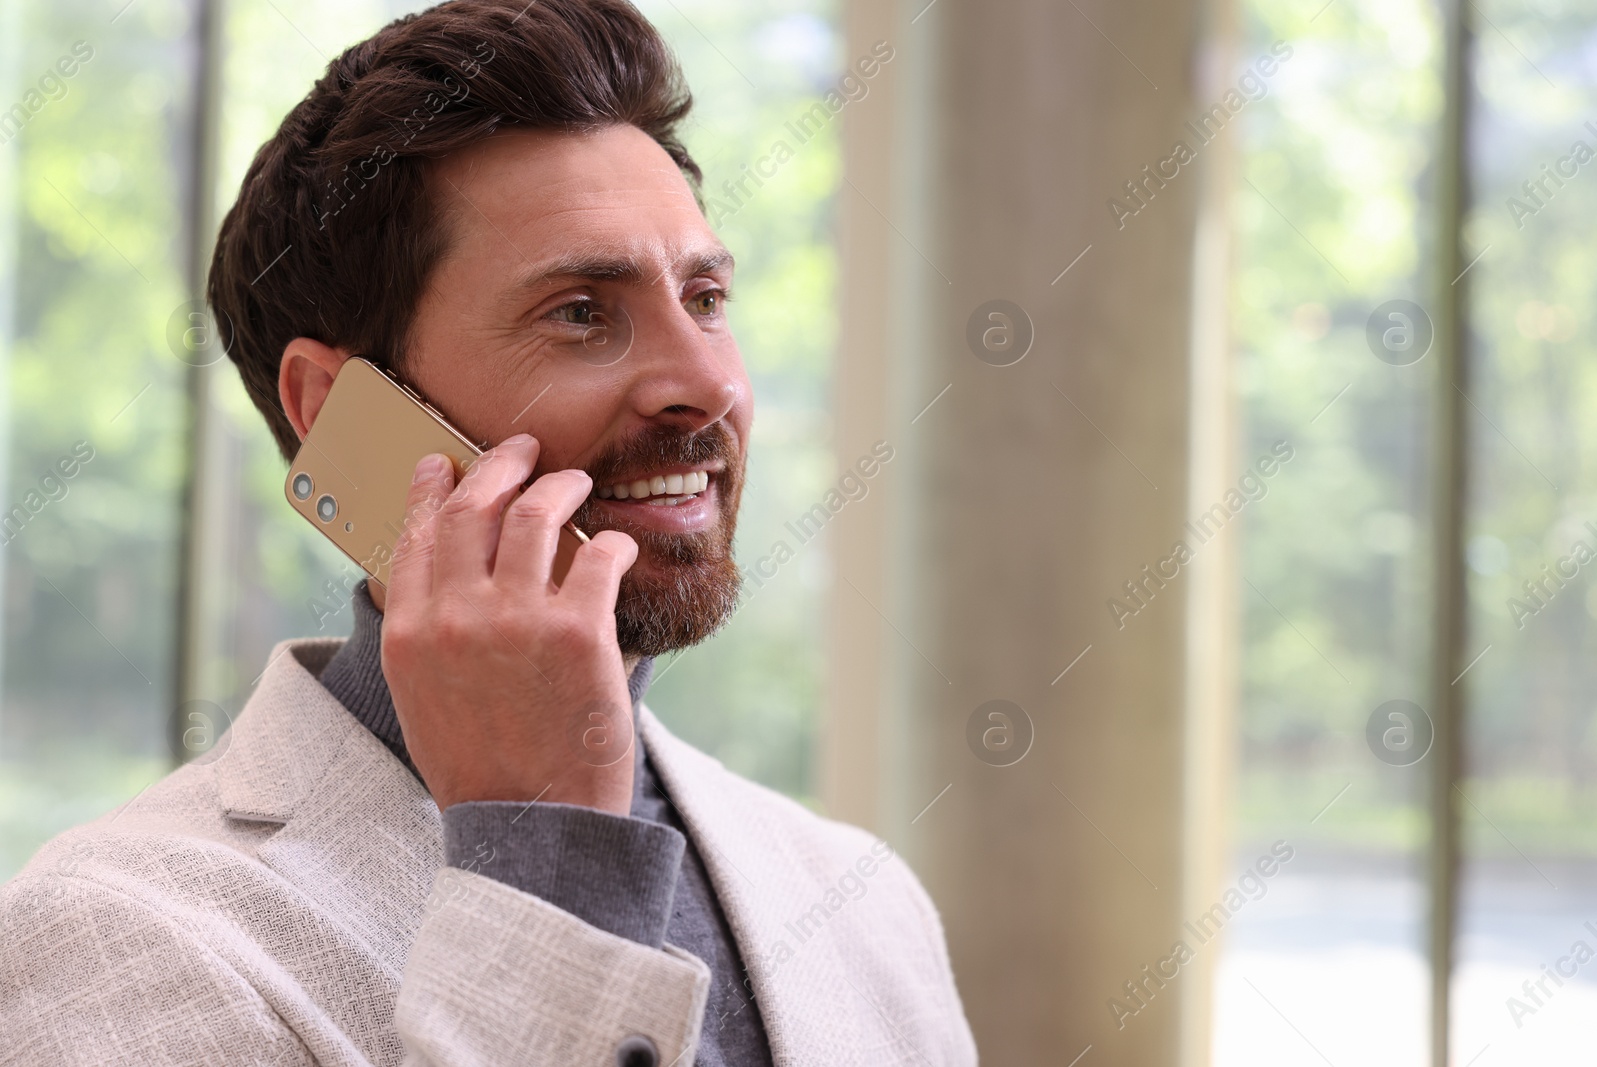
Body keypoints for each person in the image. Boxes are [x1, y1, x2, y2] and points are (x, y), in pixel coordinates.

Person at [0, 1, 975, 1064]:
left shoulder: (857, 894)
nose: (707, 383)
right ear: (333, 408)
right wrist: (545, 852)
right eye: (579, 312)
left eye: (704, 296)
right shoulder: (118, 935)